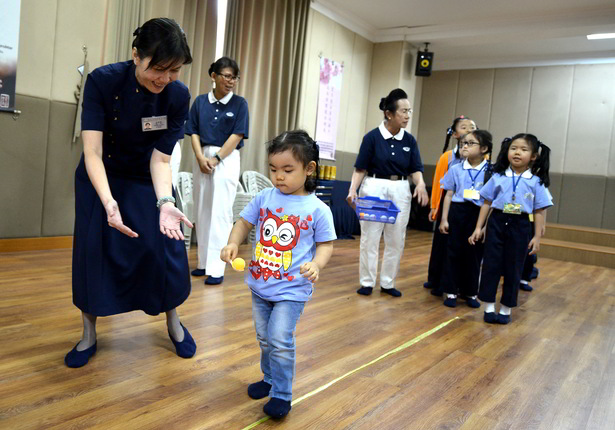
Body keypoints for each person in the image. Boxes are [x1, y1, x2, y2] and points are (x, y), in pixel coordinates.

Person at [66, 18, 196, 368]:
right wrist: (109, 203)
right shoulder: (103, 82)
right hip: (101, 175)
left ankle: (173, 322)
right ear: (136, 55)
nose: (165, 78)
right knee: (94, 253)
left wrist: (166, 203)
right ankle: (89, 334)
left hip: (145, 177)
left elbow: (161, 159)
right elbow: (91, 152)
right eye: (159, 68)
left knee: (166, 247)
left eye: (174, 70)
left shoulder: (178, 96)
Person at [221, 130, 336, 418]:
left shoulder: (318, 209)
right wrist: (233, 242)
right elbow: (243, 223)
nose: (278, 177)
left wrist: (317, 265)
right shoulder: (264, 197)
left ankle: (282, 394)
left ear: (309, 169)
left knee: (280, 339)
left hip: (292, 290)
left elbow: (326, 245)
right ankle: (269, 378)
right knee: (264, 338)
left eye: (287, 170)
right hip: (260, 286)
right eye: (273, 169)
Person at [346, 89, 429, 297]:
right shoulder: (372, 137)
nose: (408, 116)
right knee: (370, 237)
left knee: (396, 238)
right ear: (389, 114)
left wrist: (419, 184)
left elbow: (415, 169)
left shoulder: (409, 140)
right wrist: (352, 189)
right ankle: (367, 282)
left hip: (400, 189)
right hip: (374, 187)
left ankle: (388, 282)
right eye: (403, 111)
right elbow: (360, 168)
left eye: (409, 111)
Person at [469, 134, 553, 324]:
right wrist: (478, 227)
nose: (517, 152)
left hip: (521, 224)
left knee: (514, 267)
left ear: (533, 156)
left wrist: (537, 236)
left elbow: (540, 210)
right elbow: (486, 202)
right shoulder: (498, 176)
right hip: (497, 221)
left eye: (524, 149)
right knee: (491, 265)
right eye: (514, 148)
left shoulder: (536, 181)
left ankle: (506, 309)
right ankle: (489, 307)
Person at [186, 57, 249, 285]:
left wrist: (216, 158)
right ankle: (203, 263)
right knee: (202, 209)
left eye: (234, 77)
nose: (231, 81)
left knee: (220, 212)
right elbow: (192, 131)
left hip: (227, 158)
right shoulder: (201, 102)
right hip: (201, 157)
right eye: (226, 76)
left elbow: (238, 135)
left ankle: (217, 268)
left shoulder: (240, 104)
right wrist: (200, 157)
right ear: (214, 75)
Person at [423, 116, 477, 297]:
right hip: (447, 205)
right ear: (455, 134)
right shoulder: (447, 157)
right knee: (442, 245)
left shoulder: (482, 158)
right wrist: (434, 207)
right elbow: (440, 184)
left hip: (470, 209)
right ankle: (437, 280)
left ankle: (461, 285)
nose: (469, 129)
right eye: (464, 127)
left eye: (472, 127)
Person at [438, 130, 493, 308]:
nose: (465, 146)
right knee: (453, 251)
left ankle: (470, 292)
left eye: (470, 143)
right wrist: (444, 219)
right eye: (463, 143)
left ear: (484, 148)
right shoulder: (456, 168)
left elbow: (491, 200)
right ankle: (451, 291)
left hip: (478, 214)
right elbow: (448, 194)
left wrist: (485, 224)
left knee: (474, 254)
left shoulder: (491, 171)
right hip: (458, 212)